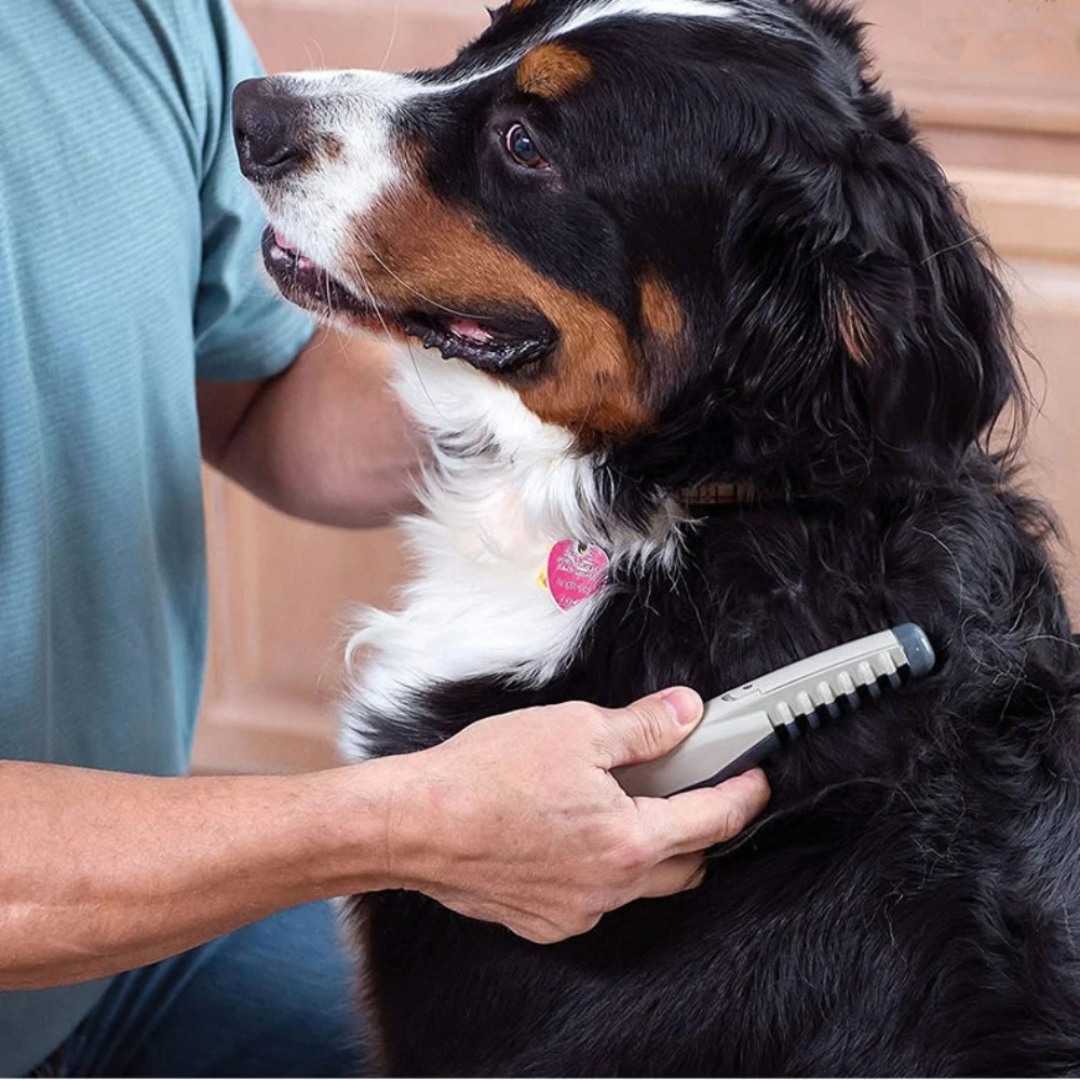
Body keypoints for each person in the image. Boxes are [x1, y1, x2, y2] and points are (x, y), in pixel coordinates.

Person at [0, 1, 771, 1076]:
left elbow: (265, 398)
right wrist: (404, 829)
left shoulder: (125, 19)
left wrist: (664, 408)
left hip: (129, 948)